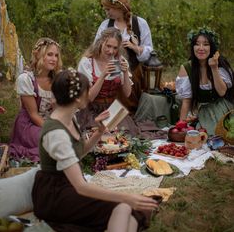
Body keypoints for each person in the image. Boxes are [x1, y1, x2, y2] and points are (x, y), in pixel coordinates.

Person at [32, 68, 158, 232]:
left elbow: (80, 152)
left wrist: (99, 131)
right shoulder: (56, 134)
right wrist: (127, 196)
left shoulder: (70, 116)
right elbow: (81, 187)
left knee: (129, 211)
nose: (89, 93)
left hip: (67, 187)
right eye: (87, 90)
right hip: (55, 196)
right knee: (122, 206)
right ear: (77, 98)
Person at [95, 0, 153, 112]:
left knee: (128, 108)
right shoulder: (105, 25)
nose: (106, 12)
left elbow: (149, 50)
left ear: (117, 7)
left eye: (108, 9)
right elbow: (96, 48)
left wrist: (135, 48)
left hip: (134, 73)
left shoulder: (140, 23)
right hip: (111, 72)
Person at [77, 27, 140, 136]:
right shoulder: (87, 63)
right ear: (101, 42)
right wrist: (103, 75)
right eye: (108, 46)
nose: (111, 51)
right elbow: (89, 98)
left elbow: (127, 93)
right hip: (91, 110)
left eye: (115, 48)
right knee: (97, 138)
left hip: (112, 109)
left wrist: (125, 73)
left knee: (123, 137)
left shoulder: (119, 61)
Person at [9, 38, 62, 162]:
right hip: (30, 123)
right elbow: (33, 115)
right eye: (49, 54)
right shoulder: (26, 79)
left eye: (56, 55)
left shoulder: (58, 78)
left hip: (51, 120)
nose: (54, 59)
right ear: (38, 54)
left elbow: (59, 110)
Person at [176, 27, 234, 136]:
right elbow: (186, 101)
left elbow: (222, 92)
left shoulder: (220, 64)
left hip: (224, 108)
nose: (201, 48)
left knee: (224, 134)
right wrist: (181, 125)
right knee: (203, 134)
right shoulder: (187, 68)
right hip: (204, 112)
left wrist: (214, 68)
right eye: (197, 44)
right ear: (193, 47)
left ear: (212, 47)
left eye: (206, 44)